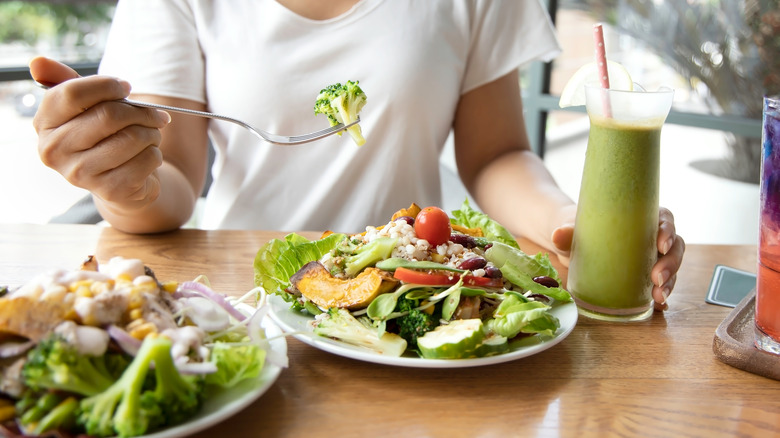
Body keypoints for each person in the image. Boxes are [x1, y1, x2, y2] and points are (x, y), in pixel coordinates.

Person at [29, 0, 684, 311]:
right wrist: (120, 180)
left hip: (418, 297)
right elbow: (170, 181)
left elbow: (497, 156)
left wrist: (572, 220)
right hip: (242, 300)